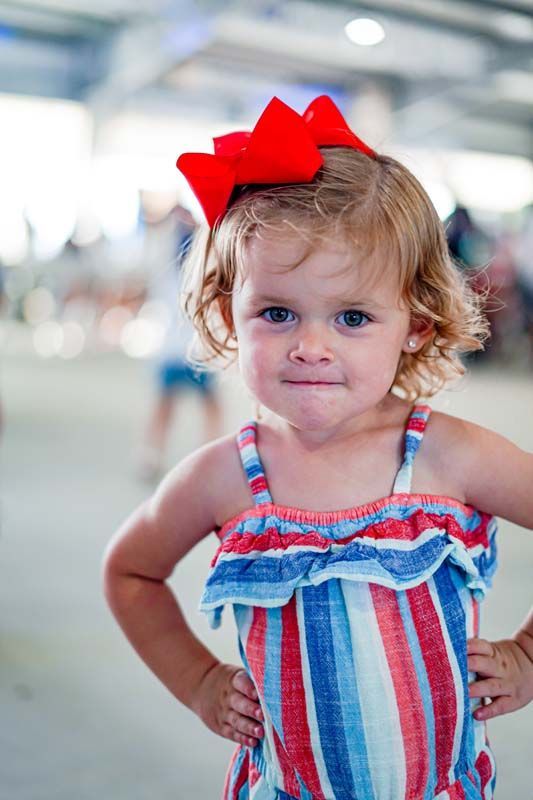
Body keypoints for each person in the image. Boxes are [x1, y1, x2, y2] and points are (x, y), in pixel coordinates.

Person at [102, 96, 533, 800]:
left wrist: (527, 656)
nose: (310, 347)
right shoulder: (221, 478)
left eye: (352, 317)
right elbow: (129, 573)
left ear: (416, 326)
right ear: (225, 313)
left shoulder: (449, 457)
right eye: (276, 313)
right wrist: (199, 681)